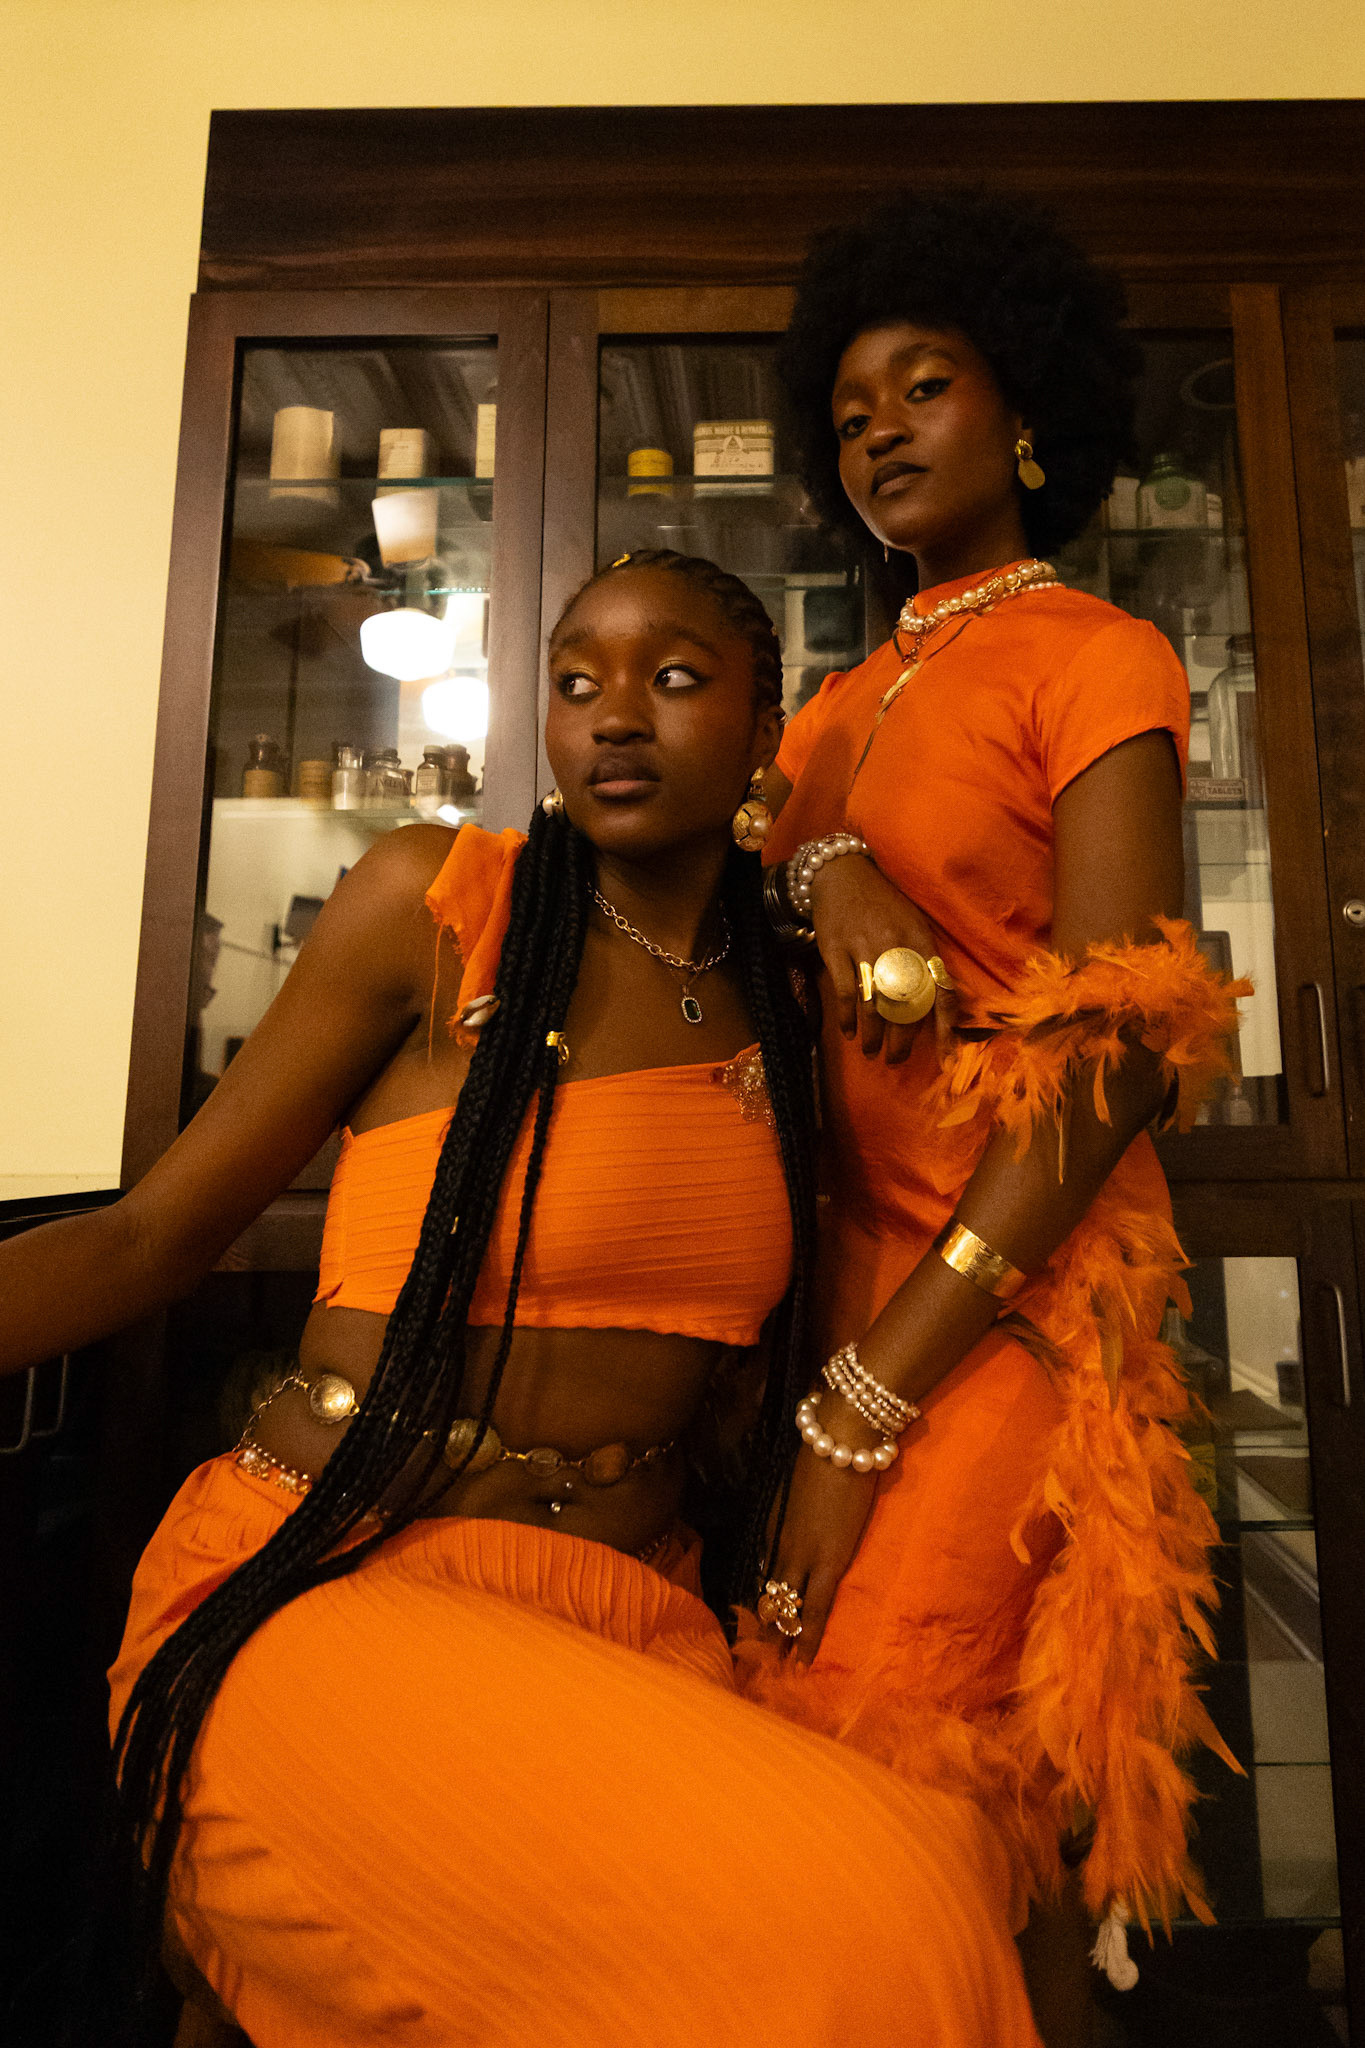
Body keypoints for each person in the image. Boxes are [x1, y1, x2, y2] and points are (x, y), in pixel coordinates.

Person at [0, 551, 1045, 2046]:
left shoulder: (792, 987)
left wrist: (837, 866)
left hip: (626, 1615)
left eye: (673, 679)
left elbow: (1046, 1111)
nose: (614, 716)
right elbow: (147, 1236)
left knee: (934, 1873)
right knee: (878, 1928)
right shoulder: (439, 911)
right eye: (575, 681)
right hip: (328, 1583)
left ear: (766, 735)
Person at [737, 189, 1247, 1998]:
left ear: (1021, 407)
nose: (875, 424)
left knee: (927, 1755)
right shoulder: (826, 706)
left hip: (1007, 1287)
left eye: (922, 384)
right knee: (804, 1751)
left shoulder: (1099, 652)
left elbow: (1120, 1041)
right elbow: (741, 889)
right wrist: (826, 874)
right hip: (822, 1274)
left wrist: (873, 1390)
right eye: (849, 403)